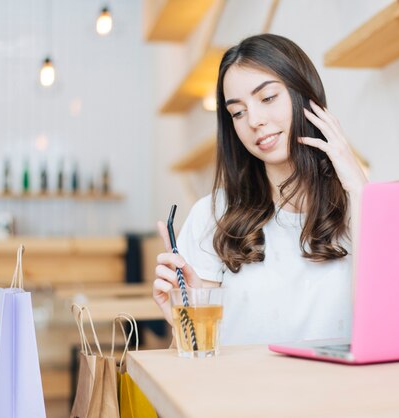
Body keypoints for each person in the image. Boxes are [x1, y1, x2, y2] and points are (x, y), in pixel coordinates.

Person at [153, 33, 368, 345]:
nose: (253, 120)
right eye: (237, 112)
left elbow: (384, 324)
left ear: (305, 94)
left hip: (341, 393)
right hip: (239, 393)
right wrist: (187, 322)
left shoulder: (359, 206)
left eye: (267, 98)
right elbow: (192, 365)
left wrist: (360, 191)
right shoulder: (213, 215)